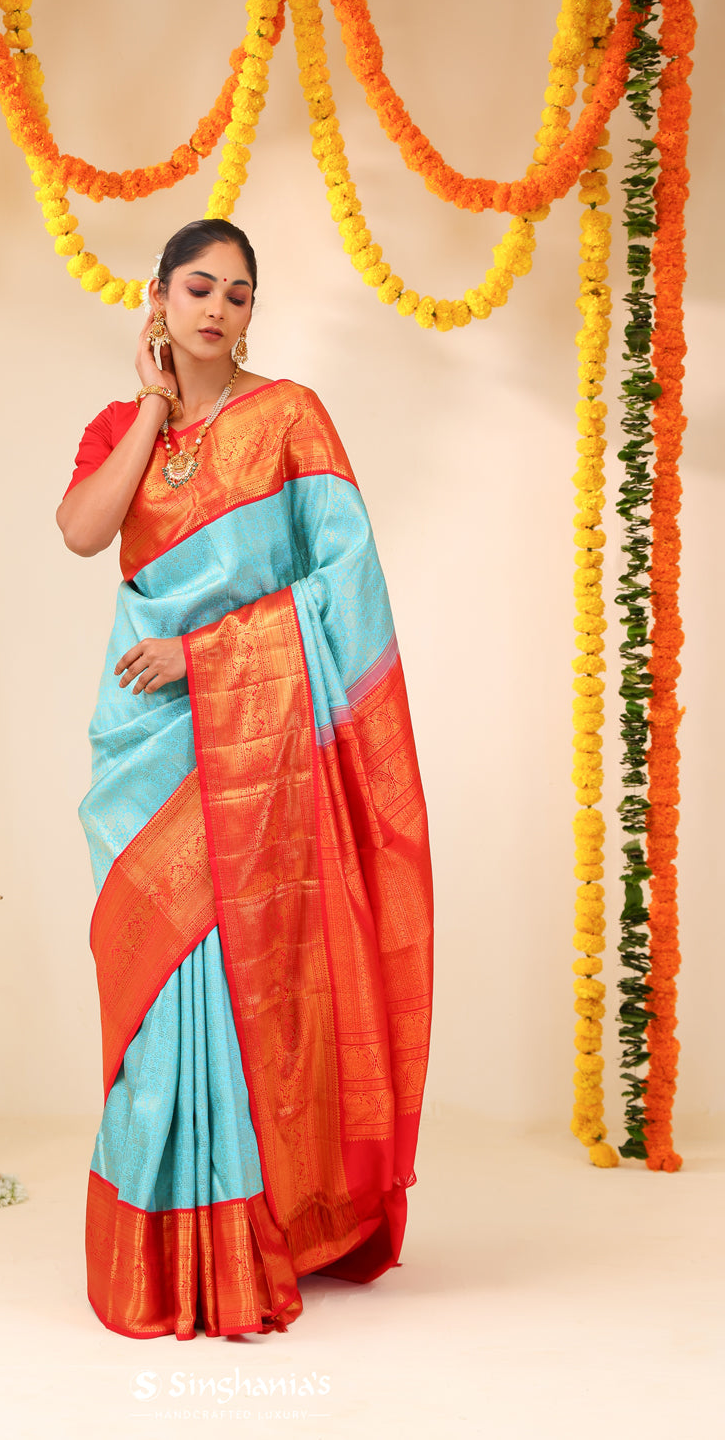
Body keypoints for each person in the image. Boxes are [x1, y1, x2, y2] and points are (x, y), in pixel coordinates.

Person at [56, 219, 433, 1340]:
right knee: (159, 980)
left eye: (238, 294)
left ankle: (242, 1229)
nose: (217, 309)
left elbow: (346, 587)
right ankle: (161, 1239)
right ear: (159, 298)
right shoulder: (118, 427)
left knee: (232, 975)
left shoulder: (290, 418)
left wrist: (206, 655)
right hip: (146, 740)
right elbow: (82, 532)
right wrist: (154, 409)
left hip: (253, 733)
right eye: (198, 288)